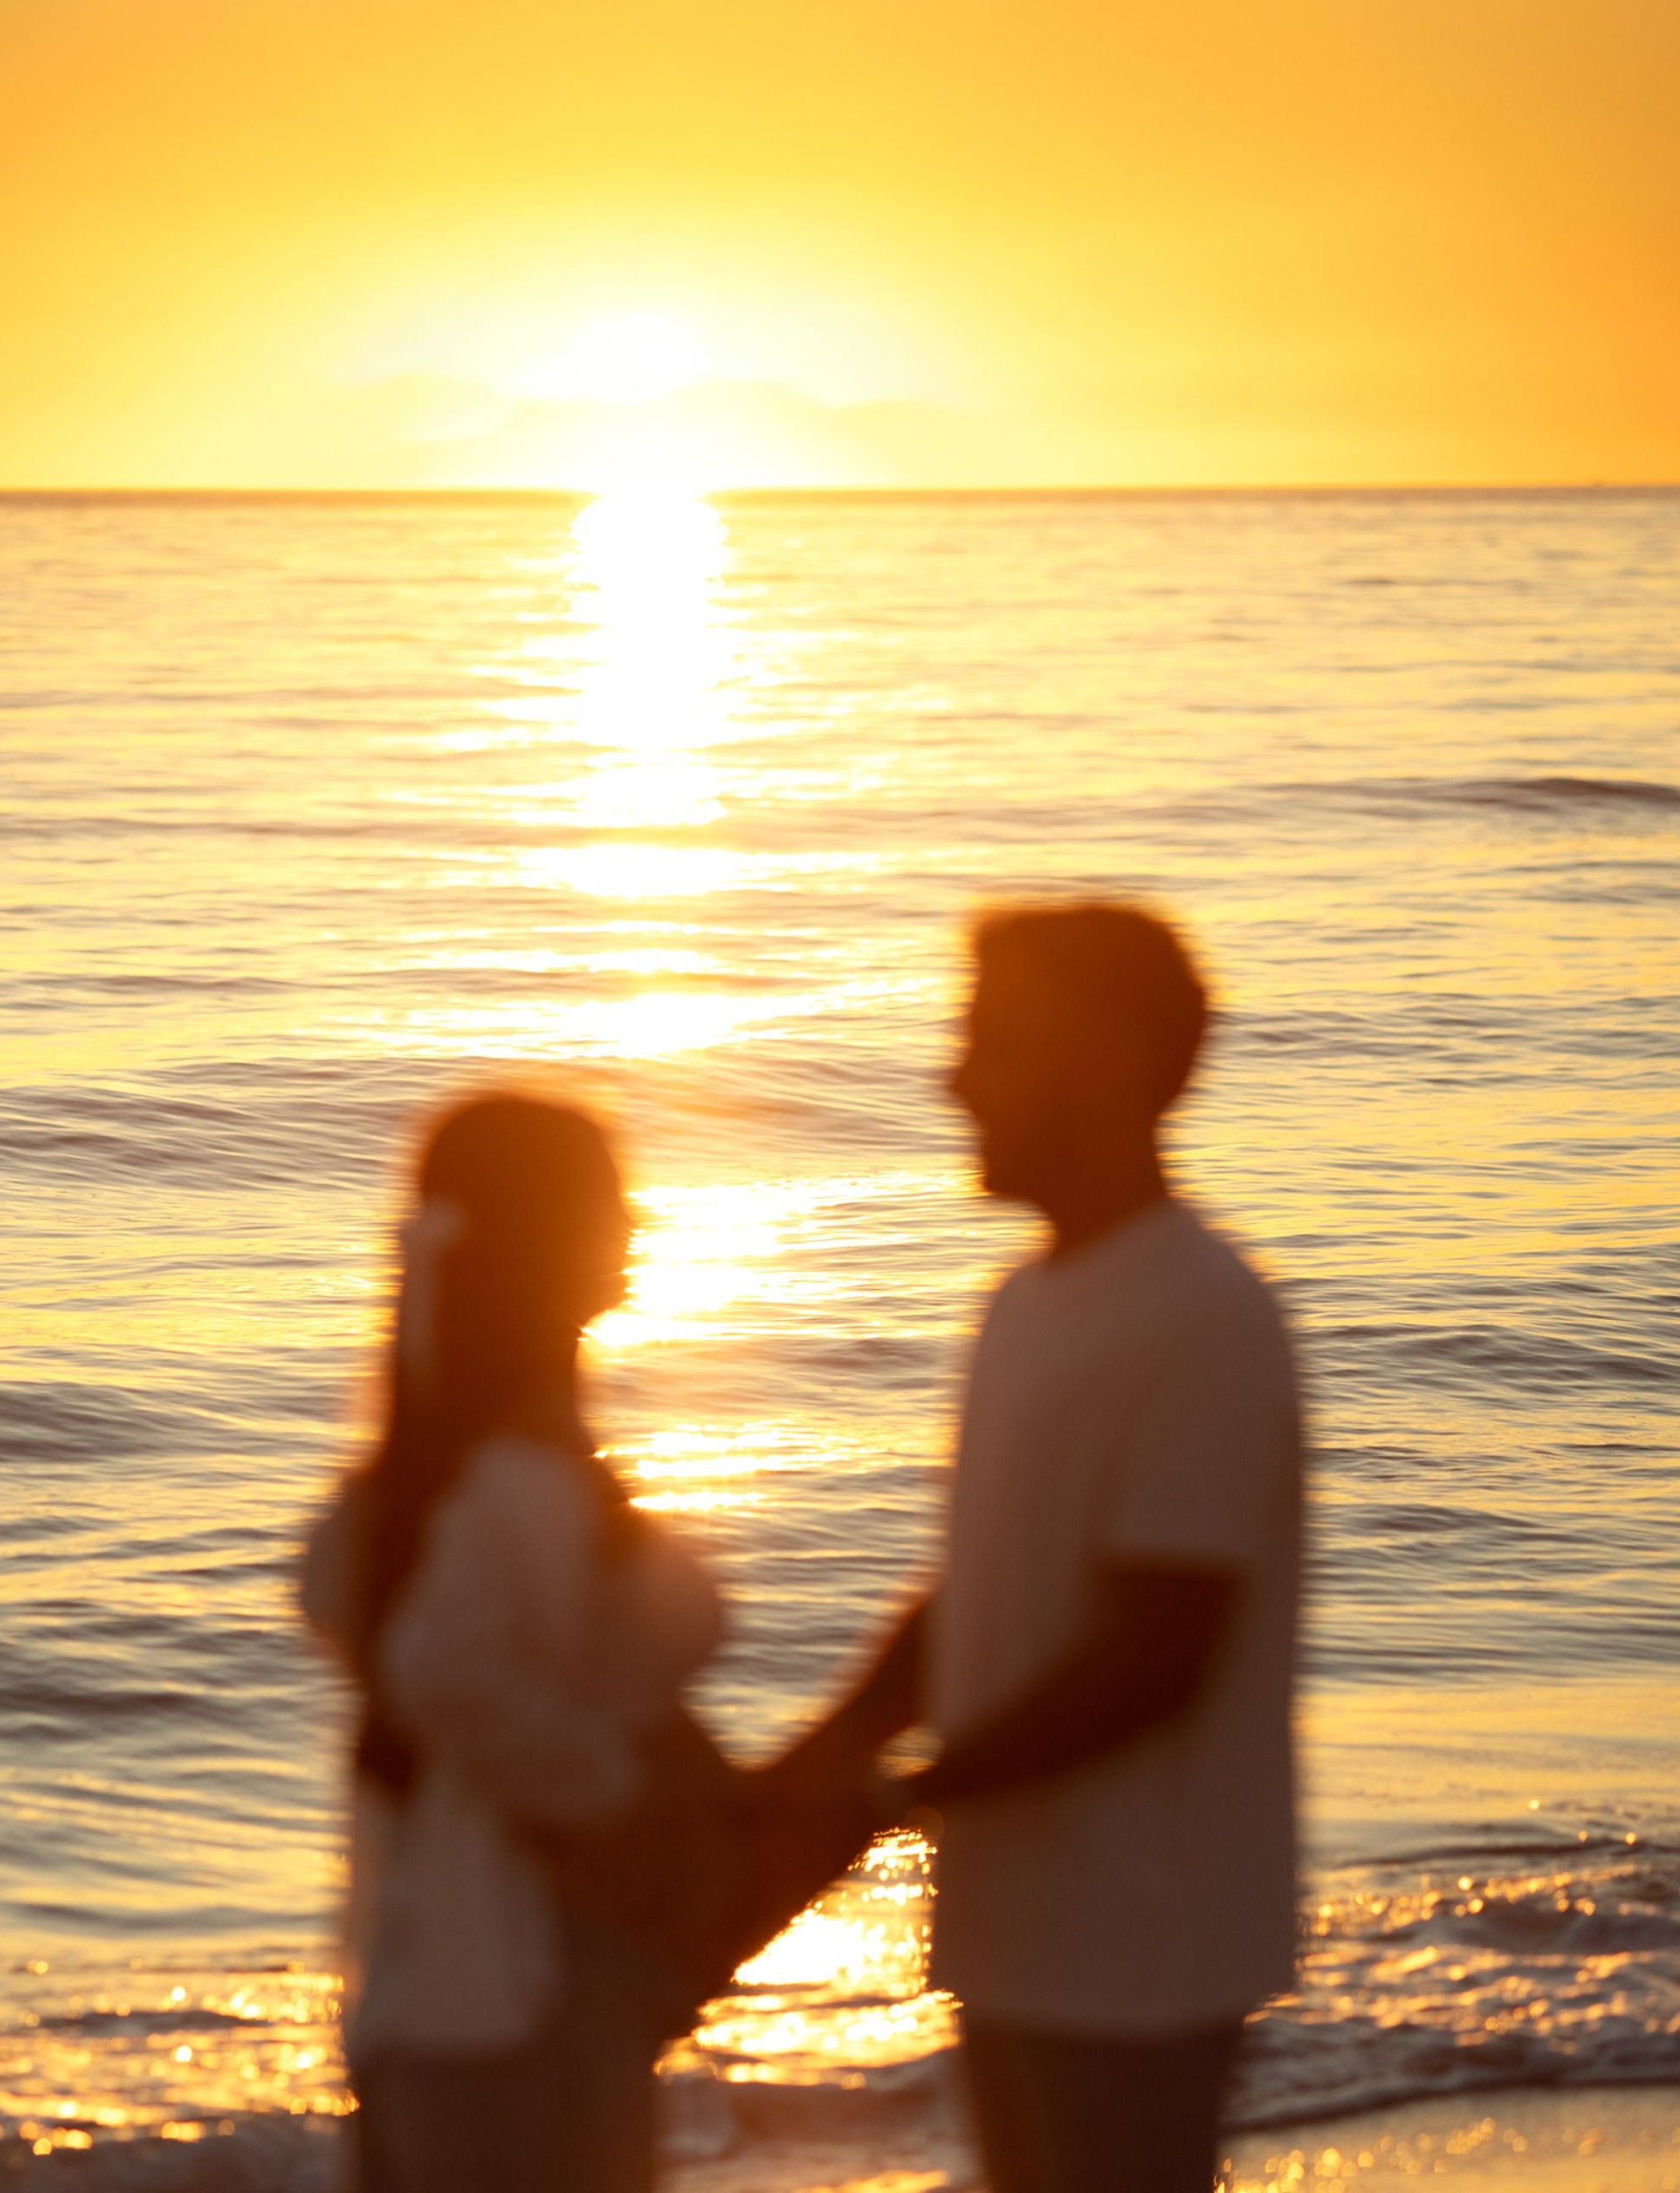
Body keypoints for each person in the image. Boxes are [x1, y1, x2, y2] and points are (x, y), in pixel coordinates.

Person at [793, 901, 1304, 2193]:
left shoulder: (1204, 1316)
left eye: (990, 1041)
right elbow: (974, 1587)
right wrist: (820, 1755)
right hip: (1014, 1920)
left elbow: (1159, 1648)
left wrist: (908, 1791)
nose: (950, 1077)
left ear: (1114, 1060)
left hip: (1147, 1933)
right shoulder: (1022, 1302)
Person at [300, 1091, 722, 2193]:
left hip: (434, 1971)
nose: (637, 1226)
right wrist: (610, 1799)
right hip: (529, 1982)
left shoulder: (427, 1475)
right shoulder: (510, 1480)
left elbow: (346, 1600)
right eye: (613, 1202)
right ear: (550, 1242)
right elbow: (439, 1669)